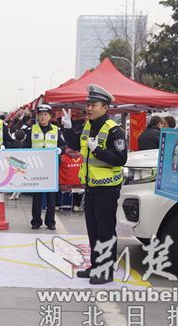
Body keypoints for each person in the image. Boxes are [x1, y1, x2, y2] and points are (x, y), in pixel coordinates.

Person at [76, 84, 127, 285]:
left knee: (106, 230)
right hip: (91, 186)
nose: (89, 108)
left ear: (105, 108)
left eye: (94, 105)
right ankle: (96, 265)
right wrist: (70, 130)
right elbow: (80, 149)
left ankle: (105, 271)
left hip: (107, 189)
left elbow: (120, 158)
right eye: (88, 104)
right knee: (93, 229)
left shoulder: (114, 130)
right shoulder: (88, 126)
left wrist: (97, 150)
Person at [23, 104, 66, 230]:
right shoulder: (32, 130)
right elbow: (25, 147)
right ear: (37, 116)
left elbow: (63, 146)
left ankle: (50, 222)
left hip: (51, 168)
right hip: (36, 168)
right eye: (41, 114)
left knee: (51, 197)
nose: (43, 117)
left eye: (46, 114)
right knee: (37, 196)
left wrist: (60, 149)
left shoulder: (56, 130)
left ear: (50, 116)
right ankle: (36, 221)